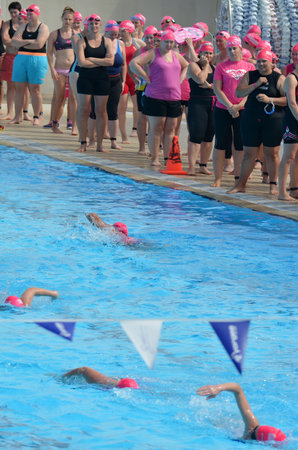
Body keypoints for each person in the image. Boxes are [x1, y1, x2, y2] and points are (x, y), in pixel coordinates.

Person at [228, 49, 286, 195]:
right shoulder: (250, 75)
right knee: (249, 153)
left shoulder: (279, 78)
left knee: (271, 153)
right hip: (251, 119)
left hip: (273, 121)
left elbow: (288, 101)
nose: (260, 64)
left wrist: (270, 100)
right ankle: (241, 185)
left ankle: (273, 186)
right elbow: (238, 93)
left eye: (264, 61)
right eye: (259, 61)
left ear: (271, 63)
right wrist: (256, 84)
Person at [130, 30, 188, 166]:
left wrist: (180, 79)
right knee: (156, 128)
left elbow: (186, 66)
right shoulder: (153, 54)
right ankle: (155, 158)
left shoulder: (176, 55)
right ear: (161, 42)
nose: (168, 45)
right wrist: (145, 77)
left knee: (170, 129)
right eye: (166, 42)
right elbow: (133, 64)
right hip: (155, 97)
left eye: (171, 42)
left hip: (174, 97)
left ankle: (168, 159)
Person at [212, 35, 255, 187]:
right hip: (223, 109)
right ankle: (217, 179)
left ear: (241, 49)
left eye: (234, 48)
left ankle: (238, 178)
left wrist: (239, 105)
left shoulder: (250, 67)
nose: (231, 51)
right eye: (229, 48)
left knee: (240, 144)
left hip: (242, 109)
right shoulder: (221, 67)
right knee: (220, 144)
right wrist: (230, 106)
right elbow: (217, 89)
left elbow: (251, 90)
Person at [197, 383, 287, 443]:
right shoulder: (252, 425)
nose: (249, 431)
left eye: (252, 432)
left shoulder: (251, 431)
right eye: (253, 429)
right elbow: (237, 389)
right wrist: (219, 388)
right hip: (226, 425)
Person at [76, 14, 114, 152]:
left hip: (102, 79)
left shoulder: (107, 41)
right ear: (87, 26)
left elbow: (110, 62)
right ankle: (82, 142)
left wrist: (91, 58)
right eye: (91, 24)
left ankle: (99, 145)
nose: (94, 26)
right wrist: (100, 61)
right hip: (85, 79)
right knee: (84, 109)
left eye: (96, 24)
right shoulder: (81, 42)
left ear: (100, 25)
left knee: (101, 111)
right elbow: (81, 63)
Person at [10, 4, 49, 126]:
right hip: (21, 58)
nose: (29, 16)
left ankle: (37, 116)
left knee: (35, 90)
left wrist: (22, 43)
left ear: (37, 14)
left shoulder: (43, 28)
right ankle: (17, 116)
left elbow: (39, 44)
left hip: (37, 59)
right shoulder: (23, 26)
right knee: (19, 89)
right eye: (28, 14)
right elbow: (13, 42)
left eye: (31, 14)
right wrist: (29, 41)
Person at [47, 7, 77, 134]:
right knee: (59, 98)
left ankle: (74, 126)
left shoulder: (76, 34)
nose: (68, 21)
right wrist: (52, 70)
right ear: (62, 19)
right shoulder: (55, 34)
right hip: (59, 69)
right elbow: (48, 53)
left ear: (73, 20)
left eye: (70, 19)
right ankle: (54, 124)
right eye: (65, 19)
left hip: (73, 70)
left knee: (73, 98)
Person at [187, 41, 215, 175]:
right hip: (197, 104)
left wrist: (211, 86)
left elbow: (218, 86)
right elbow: (200, 80)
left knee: (209, 136)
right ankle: (192, 166)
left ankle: (203, 165)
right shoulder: (194, 65)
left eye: (210, 53)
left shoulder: (215, 68)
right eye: (205, 53)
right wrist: (205, 67)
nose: (208, 56)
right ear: (200, 54)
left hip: (212, 103)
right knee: (196, 135)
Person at [130, 25, 157, 154]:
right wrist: (135, 79)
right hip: (142, 87)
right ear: (144, 38)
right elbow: (130, 67)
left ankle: (155, 147)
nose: (150, 40)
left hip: (157, 87)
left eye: (152, 38)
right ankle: (141, 147)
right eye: (148, 37)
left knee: (155, 119)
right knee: (142, 118)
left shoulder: (160, 52)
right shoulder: (139, 51)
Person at [118, 20, 145, 143]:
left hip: (134, 78)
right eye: (121, 30)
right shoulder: (117, 43)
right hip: (122, 77)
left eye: (124, 30)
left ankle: (135, 128)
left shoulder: (138, 43)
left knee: (137, 107)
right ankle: (123, 135)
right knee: (122, 108)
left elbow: (146, 54)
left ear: (129, 31)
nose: (121, 33)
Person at [104, 20, 126, 150]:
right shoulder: (100, 42)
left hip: (116, 80)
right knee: (98, 111)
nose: (113, 36)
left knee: (113, 111)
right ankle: (94, 139)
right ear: (105, 32)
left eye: (115, 34)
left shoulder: (120, 44)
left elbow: (123, 64)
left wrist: (123, 81)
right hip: (102, 80)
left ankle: (113, 141)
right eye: (111, 34)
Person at [278, 66, 298, 200]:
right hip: (292, 119)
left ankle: (295, 189)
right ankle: (282, 192)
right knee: (289, 156)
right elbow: (291, 103)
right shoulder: (291, 78)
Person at [1, 1, 22, 121]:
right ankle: (10, 112)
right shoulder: (7, 24)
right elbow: (5, 40)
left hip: (21, 57)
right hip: (10, 56)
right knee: (10, 85)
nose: (13, 14)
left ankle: (24, 113)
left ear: (19, 12)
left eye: (15, 12)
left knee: (23, 86)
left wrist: (13, 42)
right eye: (11, 12)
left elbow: (27, 40)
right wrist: (18, 42)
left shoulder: (23, 23)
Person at [63, 366, 139, 389]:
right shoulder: (104, 381)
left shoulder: (104, 382)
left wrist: (62, 378)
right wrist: (65, 376)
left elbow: (84, 369)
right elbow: (84, 369)